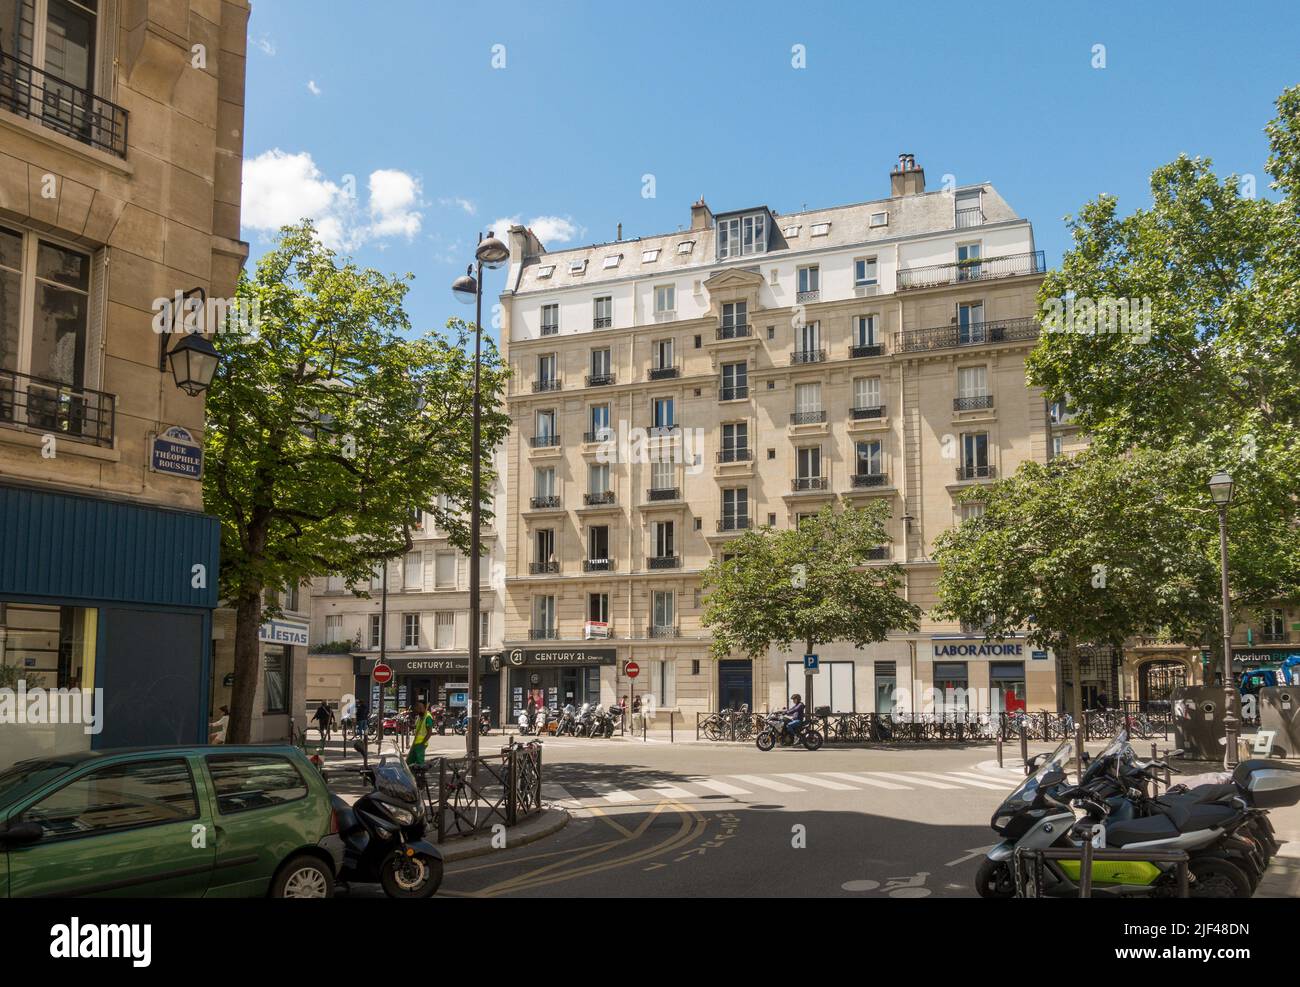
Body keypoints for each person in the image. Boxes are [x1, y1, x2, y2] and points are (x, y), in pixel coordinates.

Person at [406, 699, 436, 766]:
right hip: (415, 742)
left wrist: (422, 743)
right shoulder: (420, 716)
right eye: (417, 708)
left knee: (420, 763)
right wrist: (410, 725)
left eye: (420, 708)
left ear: (424, 708)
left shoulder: (428, 717)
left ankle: (421, 775)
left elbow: (429, 732)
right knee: (410, 761)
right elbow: (416, 726)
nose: (418, 710)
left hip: (421, 743)